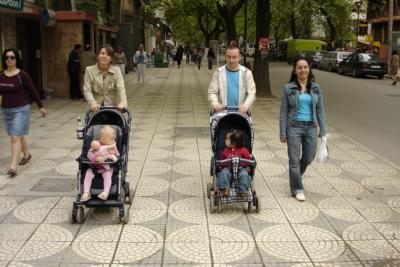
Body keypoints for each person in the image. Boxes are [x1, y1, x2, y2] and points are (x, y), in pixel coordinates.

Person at [279, 56, 327, 202]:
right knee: (294, 160)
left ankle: (295, 177)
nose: (303, 70)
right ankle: (297, 188)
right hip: (293, 128)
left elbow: (320, 110)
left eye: (305, 67)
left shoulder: (316, 88)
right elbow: (283, 111)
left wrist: (323, 131)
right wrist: (282, 131)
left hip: (311, 128)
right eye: (299, 67)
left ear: (309, 68)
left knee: (309, 157)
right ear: (295, 70)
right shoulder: (288, 88)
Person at [0, 48, 47, 177]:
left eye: (12, 57)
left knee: (15, 137)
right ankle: (27, 154)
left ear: (16, 59)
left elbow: (33, 90)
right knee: (18, 134)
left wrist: (41, 106)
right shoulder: (1, 75)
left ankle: (13, 167)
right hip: (6, 110)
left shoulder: (22, 75)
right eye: (7, 57)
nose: (9, 59)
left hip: (21, 109)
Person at [208, 44, 256, 114]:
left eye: (234, 57)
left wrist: (245, 105)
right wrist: (215, 103)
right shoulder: (218, 72)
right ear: (225, 57)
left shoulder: (246, 73)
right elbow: (212, 92)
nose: (231, 60)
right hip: (222, 114)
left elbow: (251, 93)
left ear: (239, 57)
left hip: (241, 115)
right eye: (228, 57)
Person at [83, 44, 127, 112]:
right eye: (102, 53)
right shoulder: (89, 70)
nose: (105, 56)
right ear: (98, 55)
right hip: (95, 109)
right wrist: (93, 103)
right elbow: (87, 90)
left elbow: (121, 88)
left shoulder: (116, 70)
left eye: (108, 55)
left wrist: (123, 103)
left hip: (112, 108)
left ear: (111, 58)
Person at [81, 126, 119, 201]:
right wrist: (96, 159)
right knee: (88, 174)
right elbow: (89, 154)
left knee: (108, 176)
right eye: (112, 139)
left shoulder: (112, 147)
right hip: (94, 167)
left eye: (114, 139)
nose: (114, 141)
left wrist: (114, 153)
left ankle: (105, 192)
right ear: (103, 139)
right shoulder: (96, 145)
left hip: (107, 169)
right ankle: (86, 193)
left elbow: (118, 155)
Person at [217, 130, 253, 197]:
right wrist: (221, 165)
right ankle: (225, 189)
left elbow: (249, 159)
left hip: (241, 168)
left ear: (234, 142)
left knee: (244, 175)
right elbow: (222, 160)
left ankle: (243, 191)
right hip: (228, 168)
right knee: (224, 173)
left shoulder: (244, 150)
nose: (225, 140)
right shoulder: (226, 150)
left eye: (228, 139)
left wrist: (248, 167)